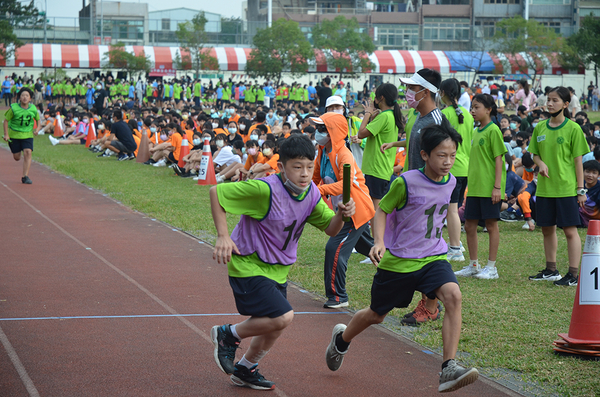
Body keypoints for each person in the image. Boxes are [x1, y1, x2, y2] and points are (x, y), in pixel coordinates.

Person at [324, 123, 479, 393]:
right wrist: (380, 242)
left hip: (432, 256)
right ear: (425, 154)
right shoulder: (405, 182)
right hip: (400, 261)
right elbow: (382, 210)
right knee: (376, 315)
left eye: (452, 155)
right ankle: (342, 340)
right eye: (441, 155)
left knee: (453, 295)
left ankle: (448, 369)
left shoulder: (452, 181)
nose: (448, 162)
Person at [210, 134, 355, 390]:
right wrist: (223, 236)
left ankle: (245, 368)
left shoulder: (310, 193)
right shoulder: (265, 189)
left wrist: (342, 215)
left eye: (309, 167)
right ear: (281, 167)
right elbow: (216, 192)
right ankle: (227, 335)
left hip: (278, 270)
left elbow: (331, 229)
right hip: (249, 265)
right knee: (284, 316)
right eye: (297, 167)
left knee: (273, 327)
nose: (304, 173)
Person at [312, 112, 375, 308]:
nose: (318, 132)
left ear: (334, 132)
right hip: (343, 209)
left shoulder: (344, 154)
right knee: (371, 249)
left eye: (323, 128)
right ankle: (398, 267)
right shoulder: (322, 151)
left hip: (354, 210)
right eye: (318, 128)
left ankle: (338, 297)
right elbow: (315, 177)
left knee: (334, 249)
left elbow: (345, 185)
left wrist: (319, 190)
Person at [528, 86, 589, 286]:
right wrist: (540, 162)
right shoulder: (540, 127)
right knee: (547, 229)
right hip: (545, 189)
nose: (550, 103)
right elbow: (534, 153)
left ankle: (573, 274)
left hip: (566, 188)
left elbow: (578, 161)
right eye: (549, 100)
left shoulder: (573, 128)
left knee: (570, 230)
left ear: (565, 104)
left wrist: (581, 190)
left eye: (555, 100)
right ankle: (551, 269)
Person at [458, 94, 507, 280]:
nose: (472, 110)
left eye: (476, 107)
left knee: (491, 224)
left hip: (489, 188)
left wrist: (496, 187)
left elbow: (498, 160)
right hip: (475, 188)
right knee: (469, 225)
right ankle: (474, 265)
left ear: (488, 109)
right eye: (472, 107)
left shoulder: (493, 130)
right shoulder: (476, 131)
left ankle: (491, 267)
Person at [440, 79, 474, 262]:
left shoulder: (444, 114)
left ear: (443, 92)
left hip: (450, 166)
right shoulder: (468, 115)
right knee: (453, 208)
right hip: (464, 167)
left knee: (451, 209)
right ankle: (456, 243)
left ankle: (454, 248)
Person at [3, 87, 41, 184]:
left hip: (27, 135)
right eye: (22, 95)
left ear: (30, 98)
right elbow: (6, 121)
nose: (24, 97)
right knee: (17, 157)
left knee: (28, 152)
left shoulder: (33, 108)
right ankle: (17, 151)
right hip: (14, 135)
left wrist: (37, 129)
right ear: (19, 98)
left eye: (27, 96)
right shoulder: (14, 108)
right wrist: (6, 134)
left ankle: (25, 176)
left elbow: (38, 120)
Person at [579, 160, 600, 227]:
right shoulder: (579, 185)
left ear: (598, 175)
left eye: (594, 173)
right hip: (579, 218)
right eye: (587, 172)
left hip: (596, 220)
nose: (590, 175)